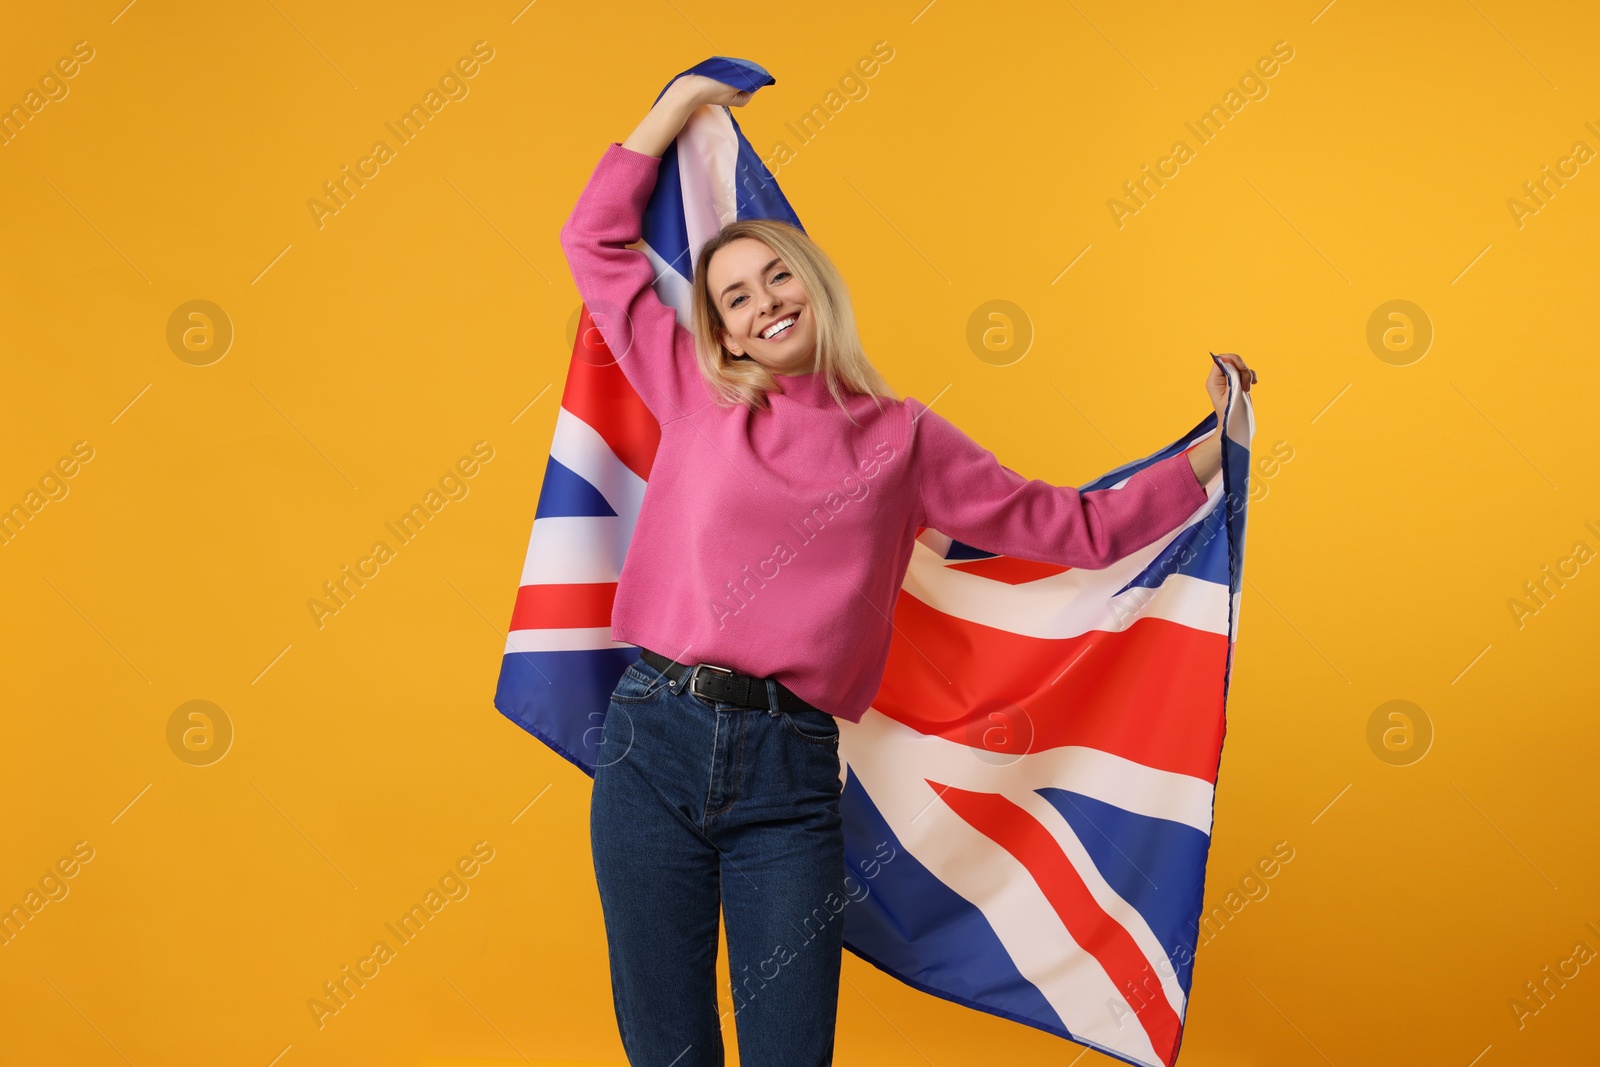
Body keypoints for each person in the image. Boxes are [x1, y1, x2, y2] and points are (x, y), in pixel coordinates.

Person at [563, 70, 1258, 1067]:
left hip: (789, 774)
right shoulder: (694, 391)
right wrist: (673, 107)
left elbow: (1074, 526)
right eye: (734, 297)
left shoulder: (902, 442)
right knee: (665, 1045)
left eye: (777, 279)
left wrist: (1212, 446)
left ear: (816, 284)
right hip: (651, 739)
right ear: (714, 328)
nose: (762, 303)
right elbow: (593, 243)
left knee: (789, 1051)